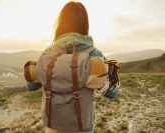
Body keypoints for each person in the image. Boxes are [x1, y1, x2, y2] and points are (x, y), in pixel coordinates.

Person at [26, 1, 118, 133]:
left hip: (54, 126)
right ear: (86, 25)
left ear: (61, 23)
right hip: (83, 127)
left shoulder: (49, 52)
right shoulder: (95, 54)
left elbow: (30, 86)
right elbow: (112, 93)